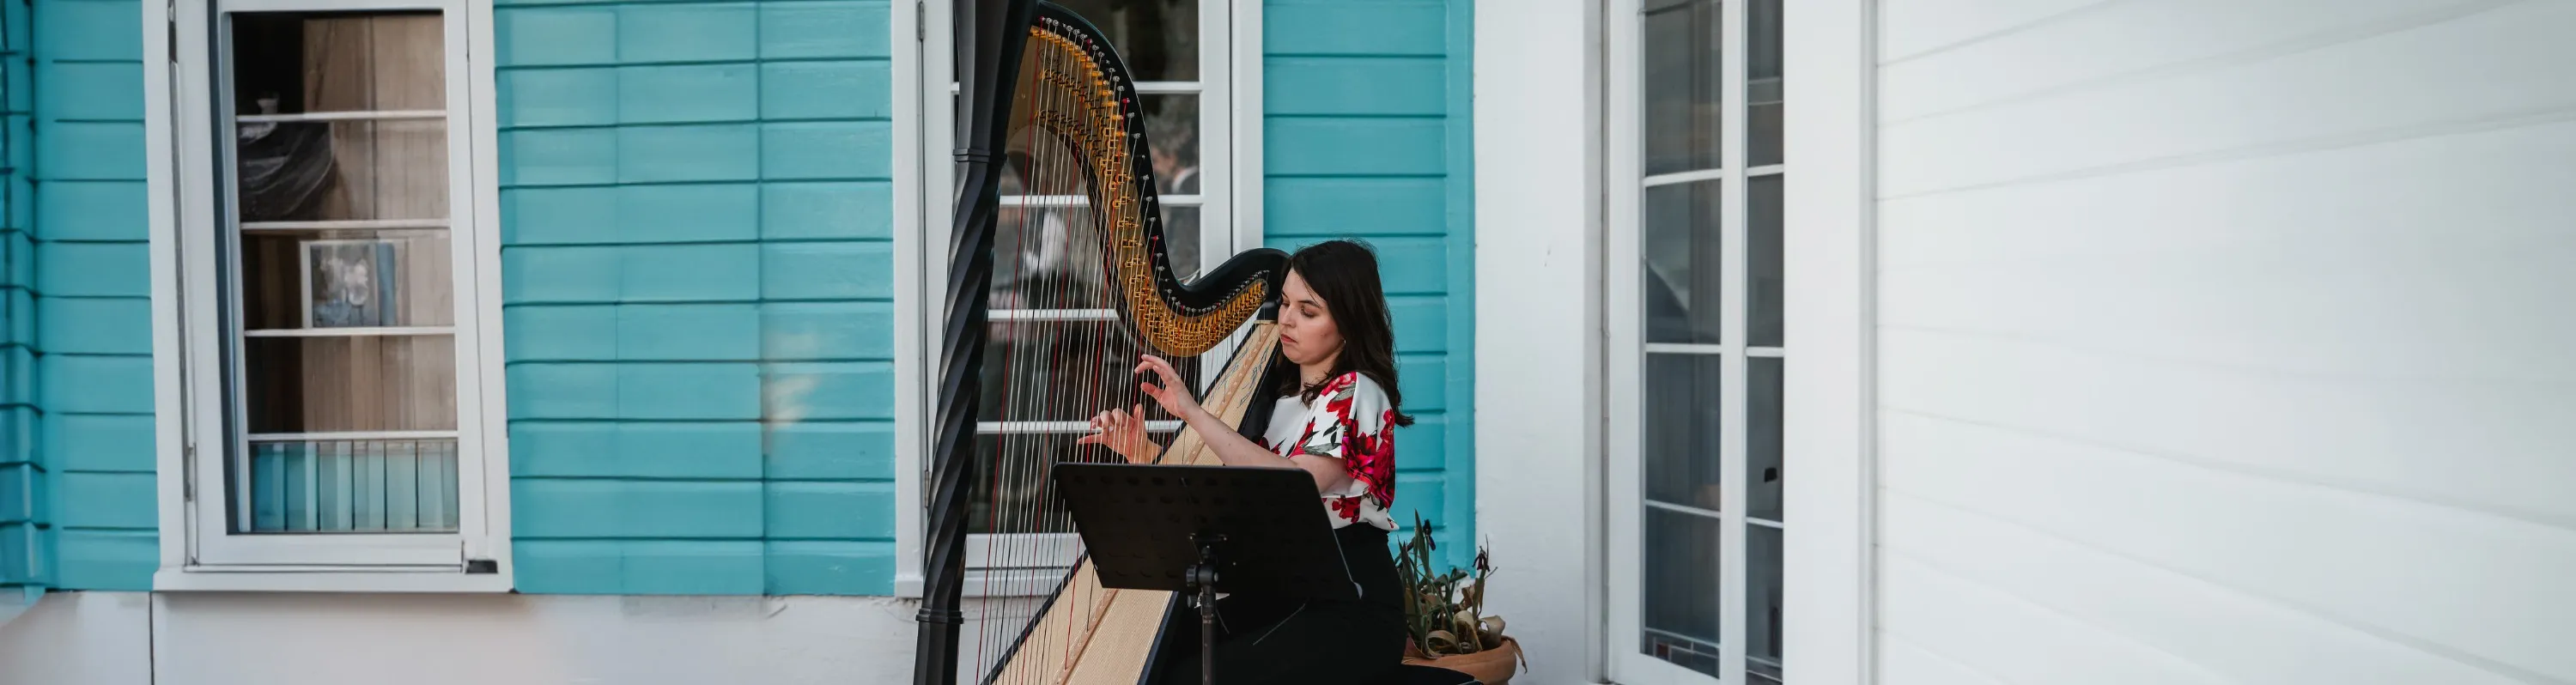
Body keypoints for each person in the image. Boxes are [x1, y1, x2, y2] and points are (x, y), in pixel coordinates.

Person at [1078, 239, 1414, 685]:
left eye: (1308, 312)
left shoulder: (1356, 393)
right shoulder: (1280, 400)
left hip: (1348, 606)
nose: (1286, 320)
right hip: (1283, 595)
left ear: (1348, 324)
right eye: (1287, 304)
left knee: (1188, 676)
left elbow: (1296, 483)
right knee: (1154, 659)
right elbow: (1230, 496)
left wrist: (1194, 413)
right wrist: (1143, 454)